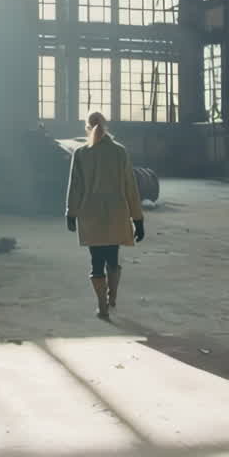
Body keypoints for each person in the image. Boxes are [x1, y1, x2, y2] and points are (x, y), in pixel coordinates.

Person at [65, 112, 145, 319]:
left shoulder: (81, 153)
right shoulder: (120, 152)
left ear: (86, 127)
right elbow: (130, 186)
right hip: (117, 213)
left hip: (91, 214)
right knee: (112, 257)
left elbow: (75, 187)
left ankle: (102, 307)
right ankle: (113, 296)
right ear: (106, 126)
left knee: (96, 261)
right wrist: (138, 218)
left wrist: (70, 213)